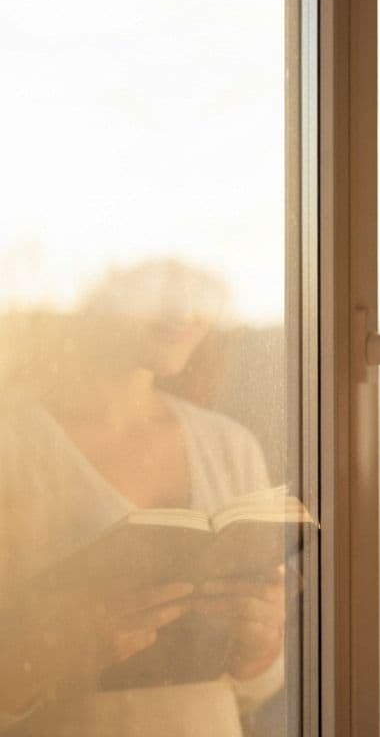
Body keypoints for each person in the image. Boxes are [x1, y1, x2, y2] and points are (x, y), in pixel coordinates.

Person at [0, 260, 287, 736]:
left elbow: (254, 691)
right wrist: (54, 648)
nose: (186, 308)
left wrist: (260, 645)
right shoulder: (13, 445)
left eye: (200, 281)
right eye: (161, 278)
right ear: (95, 273)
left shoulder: (229, 447)